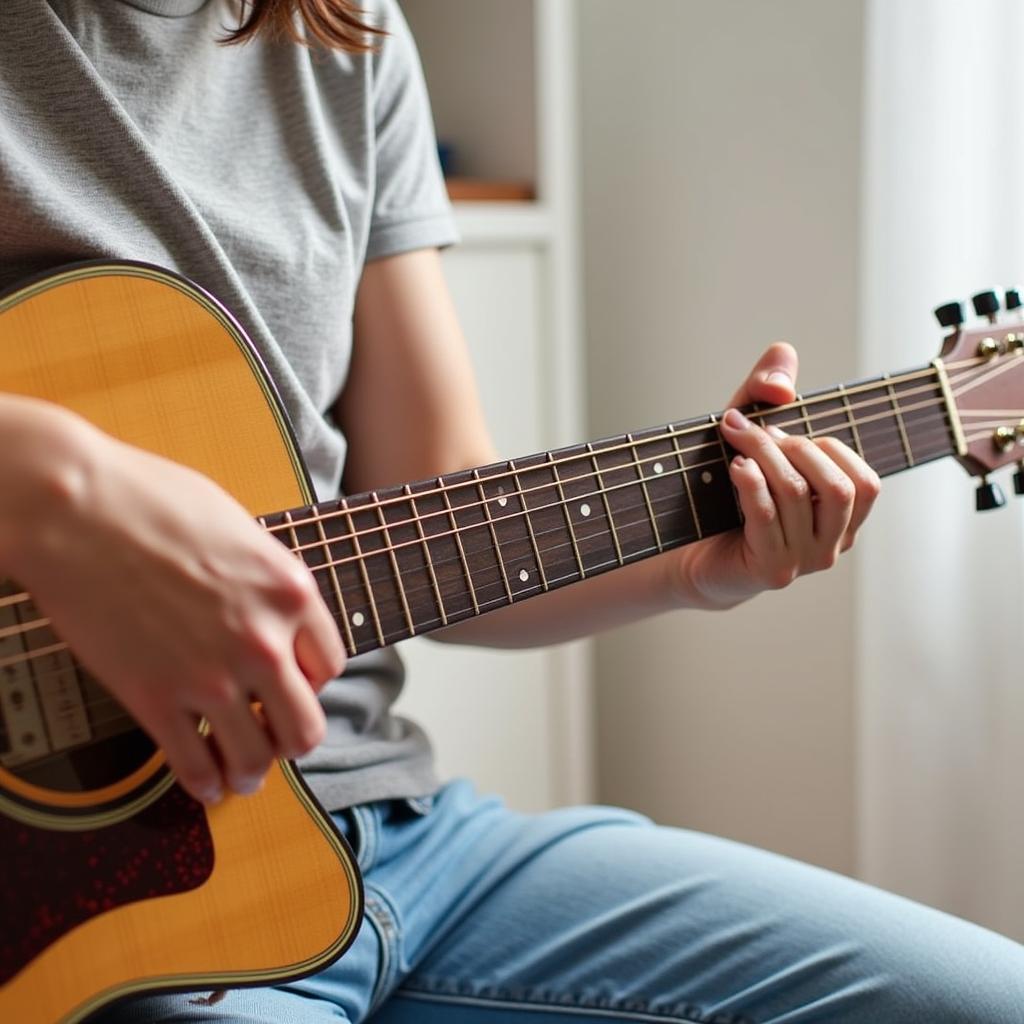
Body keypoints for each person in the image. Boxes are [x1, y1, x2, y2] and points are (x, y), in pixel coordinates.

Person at [2, 1, 1023, 1021]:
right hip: (128, 915)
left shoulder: (345, 35)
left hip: (403, 839)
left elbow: (432, 499)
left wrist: (699, 567)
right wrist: (60, 490)